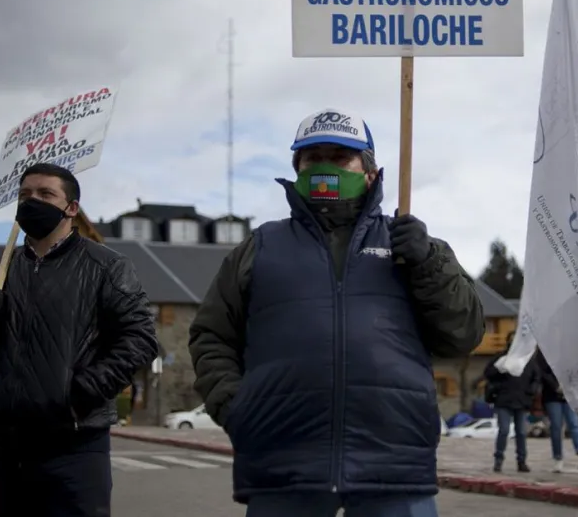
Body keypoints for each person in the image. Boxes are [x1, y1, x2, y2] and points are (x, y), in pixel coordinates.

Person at [188, 109, 485, 517]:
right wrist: (240, 409)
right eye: (313, 158)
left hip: (394, 464)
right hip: (285, 465)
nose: (324, 166)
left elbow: (463, 335)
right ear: (297, 169)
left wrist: (428, 263)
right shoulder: (260, 247)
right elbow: (211, 335)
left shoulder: (412, 246)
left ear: (369, 172)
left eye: (339, 157)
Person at [0, 162, 158, 517]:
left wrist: (82, 392)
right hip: (4, 445)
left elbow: (141, 339)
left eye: (45, 194)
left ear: (71, 208)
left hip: (75, 441)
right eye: (24, 195)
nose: (31, 201)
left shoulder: (106, 266)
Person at [483, 331, 539, 473]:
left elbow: (536, 378)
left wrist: (531, 391)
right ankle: (498, 460)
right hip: (503, 400)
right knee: (504, 430)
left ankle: (521, 461)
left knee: (520, 432)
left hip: (521, 401)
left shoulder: (526, 360)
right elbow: (488, 374)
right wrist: (499, 369)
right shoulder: (501, 358)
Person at [535, 348, 578, 473]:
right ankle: (558, 458)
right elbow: (542, 372)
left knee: (574, 423)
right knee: (556, 426)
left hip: (569, 394)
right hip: (552, 395)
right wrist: (556, 386)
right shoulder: (544, 348)